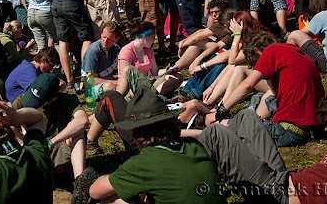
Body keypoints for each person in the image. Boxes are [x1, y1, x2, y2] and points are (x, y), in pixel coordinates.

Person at [188, 90, 327, 204]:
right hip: (283, 177)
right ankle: (227, 167)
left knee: (216, 134)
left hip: (279, 195)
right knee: (246, 117)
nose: (325, 130)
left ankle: (190, 183)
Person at [89, 87, 225, 204]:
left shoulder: (144, 163)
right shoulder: (197, 147)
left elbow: (95, 192)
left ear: (137, 132)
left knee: (109, 200)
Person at [211, 40, 325, 147]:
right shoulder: (291, 50)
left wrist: (219, 112)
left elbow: (247, 86)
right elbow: (274, 91)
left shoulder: (270, 52)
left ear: (257, 52)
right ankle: (252, 117)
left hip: (290, 131)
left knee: (225, 125)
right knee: (262, 97)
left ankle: (215, 125)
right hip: (312, 125)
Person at [14, 73, 94, 204]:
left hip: (57, 151)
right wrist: (21, 140)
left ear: (53, 98)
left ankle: (80, 184)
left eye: (39, 102)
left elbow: (82, 120)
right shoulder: (22, 100)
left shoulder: (67, 100)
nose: (34, 104)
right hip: (33, 154)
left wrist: (52, 141)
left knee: (78, 133)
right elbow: (10, 121)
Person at [116, 22, 158, 97]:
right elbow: (124, 78)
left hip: (148, 84)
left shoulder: (148, 50)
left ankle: (153, 95)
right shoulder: (126, 51)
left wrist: (167, 72)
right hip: (131, 89)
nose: (154, 39)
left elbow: (155, 73)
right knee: (128, 69)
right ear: (145, 36)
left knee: (175, 77)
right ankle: (154, 96)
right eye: (153, 36)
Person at [80, 21, 123, 93]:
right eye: (104, 37)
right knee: (111, 86)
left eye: (109, 39)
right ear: (101, 34)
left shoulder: (116, 49)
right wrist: (115, 82)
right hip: (90, 86)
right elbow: (90, 80)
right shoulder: (94, 50)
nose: (105, 41)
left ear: (116, 39)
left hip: (105, 79)